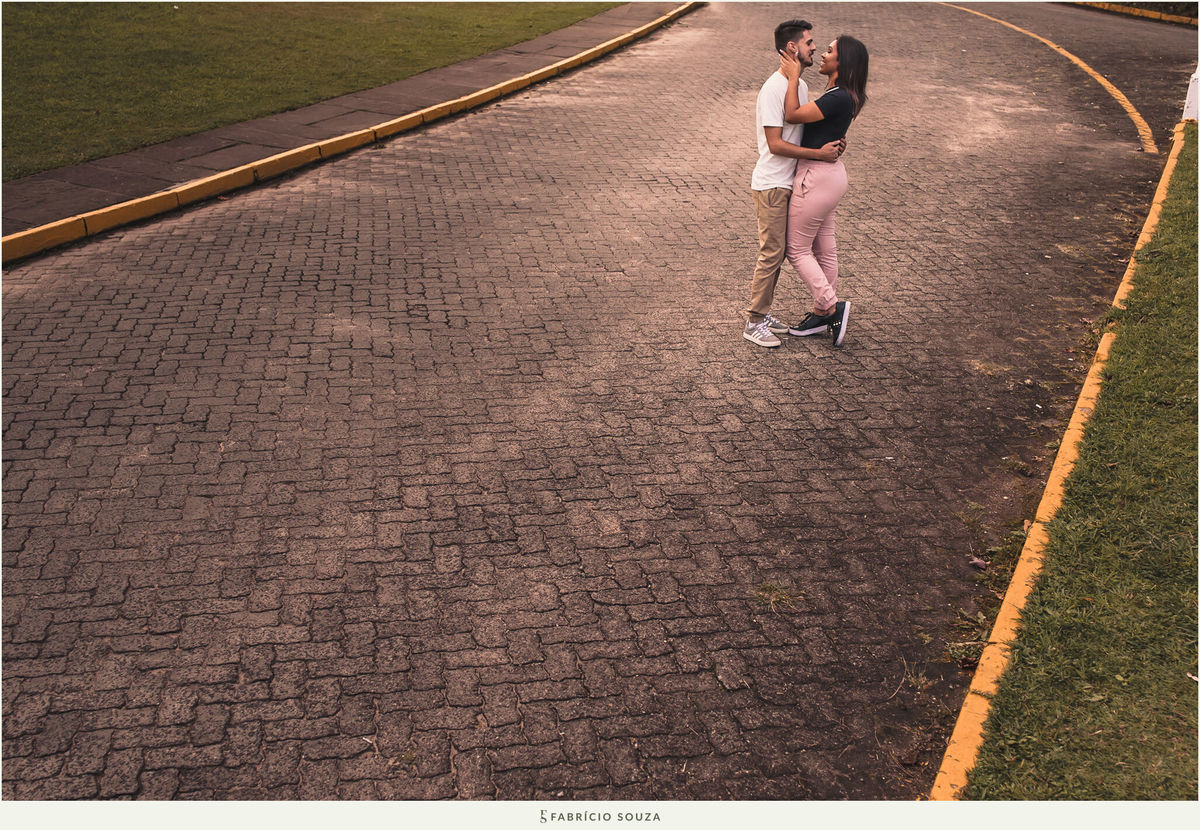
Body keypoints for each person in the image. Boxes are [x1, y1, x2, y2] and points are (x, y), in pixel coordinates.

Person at [744, 20, 846, 349]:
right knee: (772, 253)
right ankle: (753, 321)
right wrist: (818, 153)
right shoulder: (774, 88)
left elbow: (803, 125)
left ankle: (763, 314)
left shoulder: (797, 87)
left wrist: (831, 144)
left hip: (789, 182)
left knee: (781, 252)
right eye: (809, 42)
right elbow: (775, 144)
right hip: (772, 184)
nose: (814, 48)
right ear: (792, 48)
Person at [779, 35, 869, 348]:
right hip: (828, 177)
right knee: (824, 248)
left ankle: (831, 306)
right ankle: (821, 313)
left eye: (829, 51)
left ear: (842, 62)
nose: (823, 54)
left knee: (797, 250)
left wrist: (793, 78)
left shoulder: (839, 96)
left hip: (815, 178)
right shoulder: (844, 94)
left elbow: (791, 115)